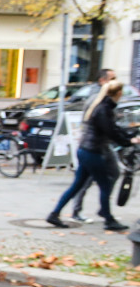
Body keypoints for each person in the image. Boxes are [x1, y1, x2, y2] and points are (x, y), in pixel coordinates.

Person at [47, 80, 132, 232]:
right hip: (93, 152)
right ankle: (108, 219)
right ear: (118, 93)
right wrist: (128, 141)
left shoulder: (100, 106)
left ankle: (54, 214)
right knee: (105, 185)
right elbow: (110, 131)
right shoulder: (104, 109)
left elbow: (114, 128)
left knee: (77, 185)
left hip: (85, 150)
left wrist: (127, 137)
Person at [68, 68, 116, 223]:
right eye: (112, 78)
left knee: (114, 173)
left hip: (101, 145)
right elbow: (98, 120)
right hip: (92, 146)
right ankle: (76, 211)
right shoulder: (97, 96)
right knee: (84, 181)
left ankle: (104, 209)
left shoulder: (107, 97)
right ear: (103, 80)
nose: (115, 81)